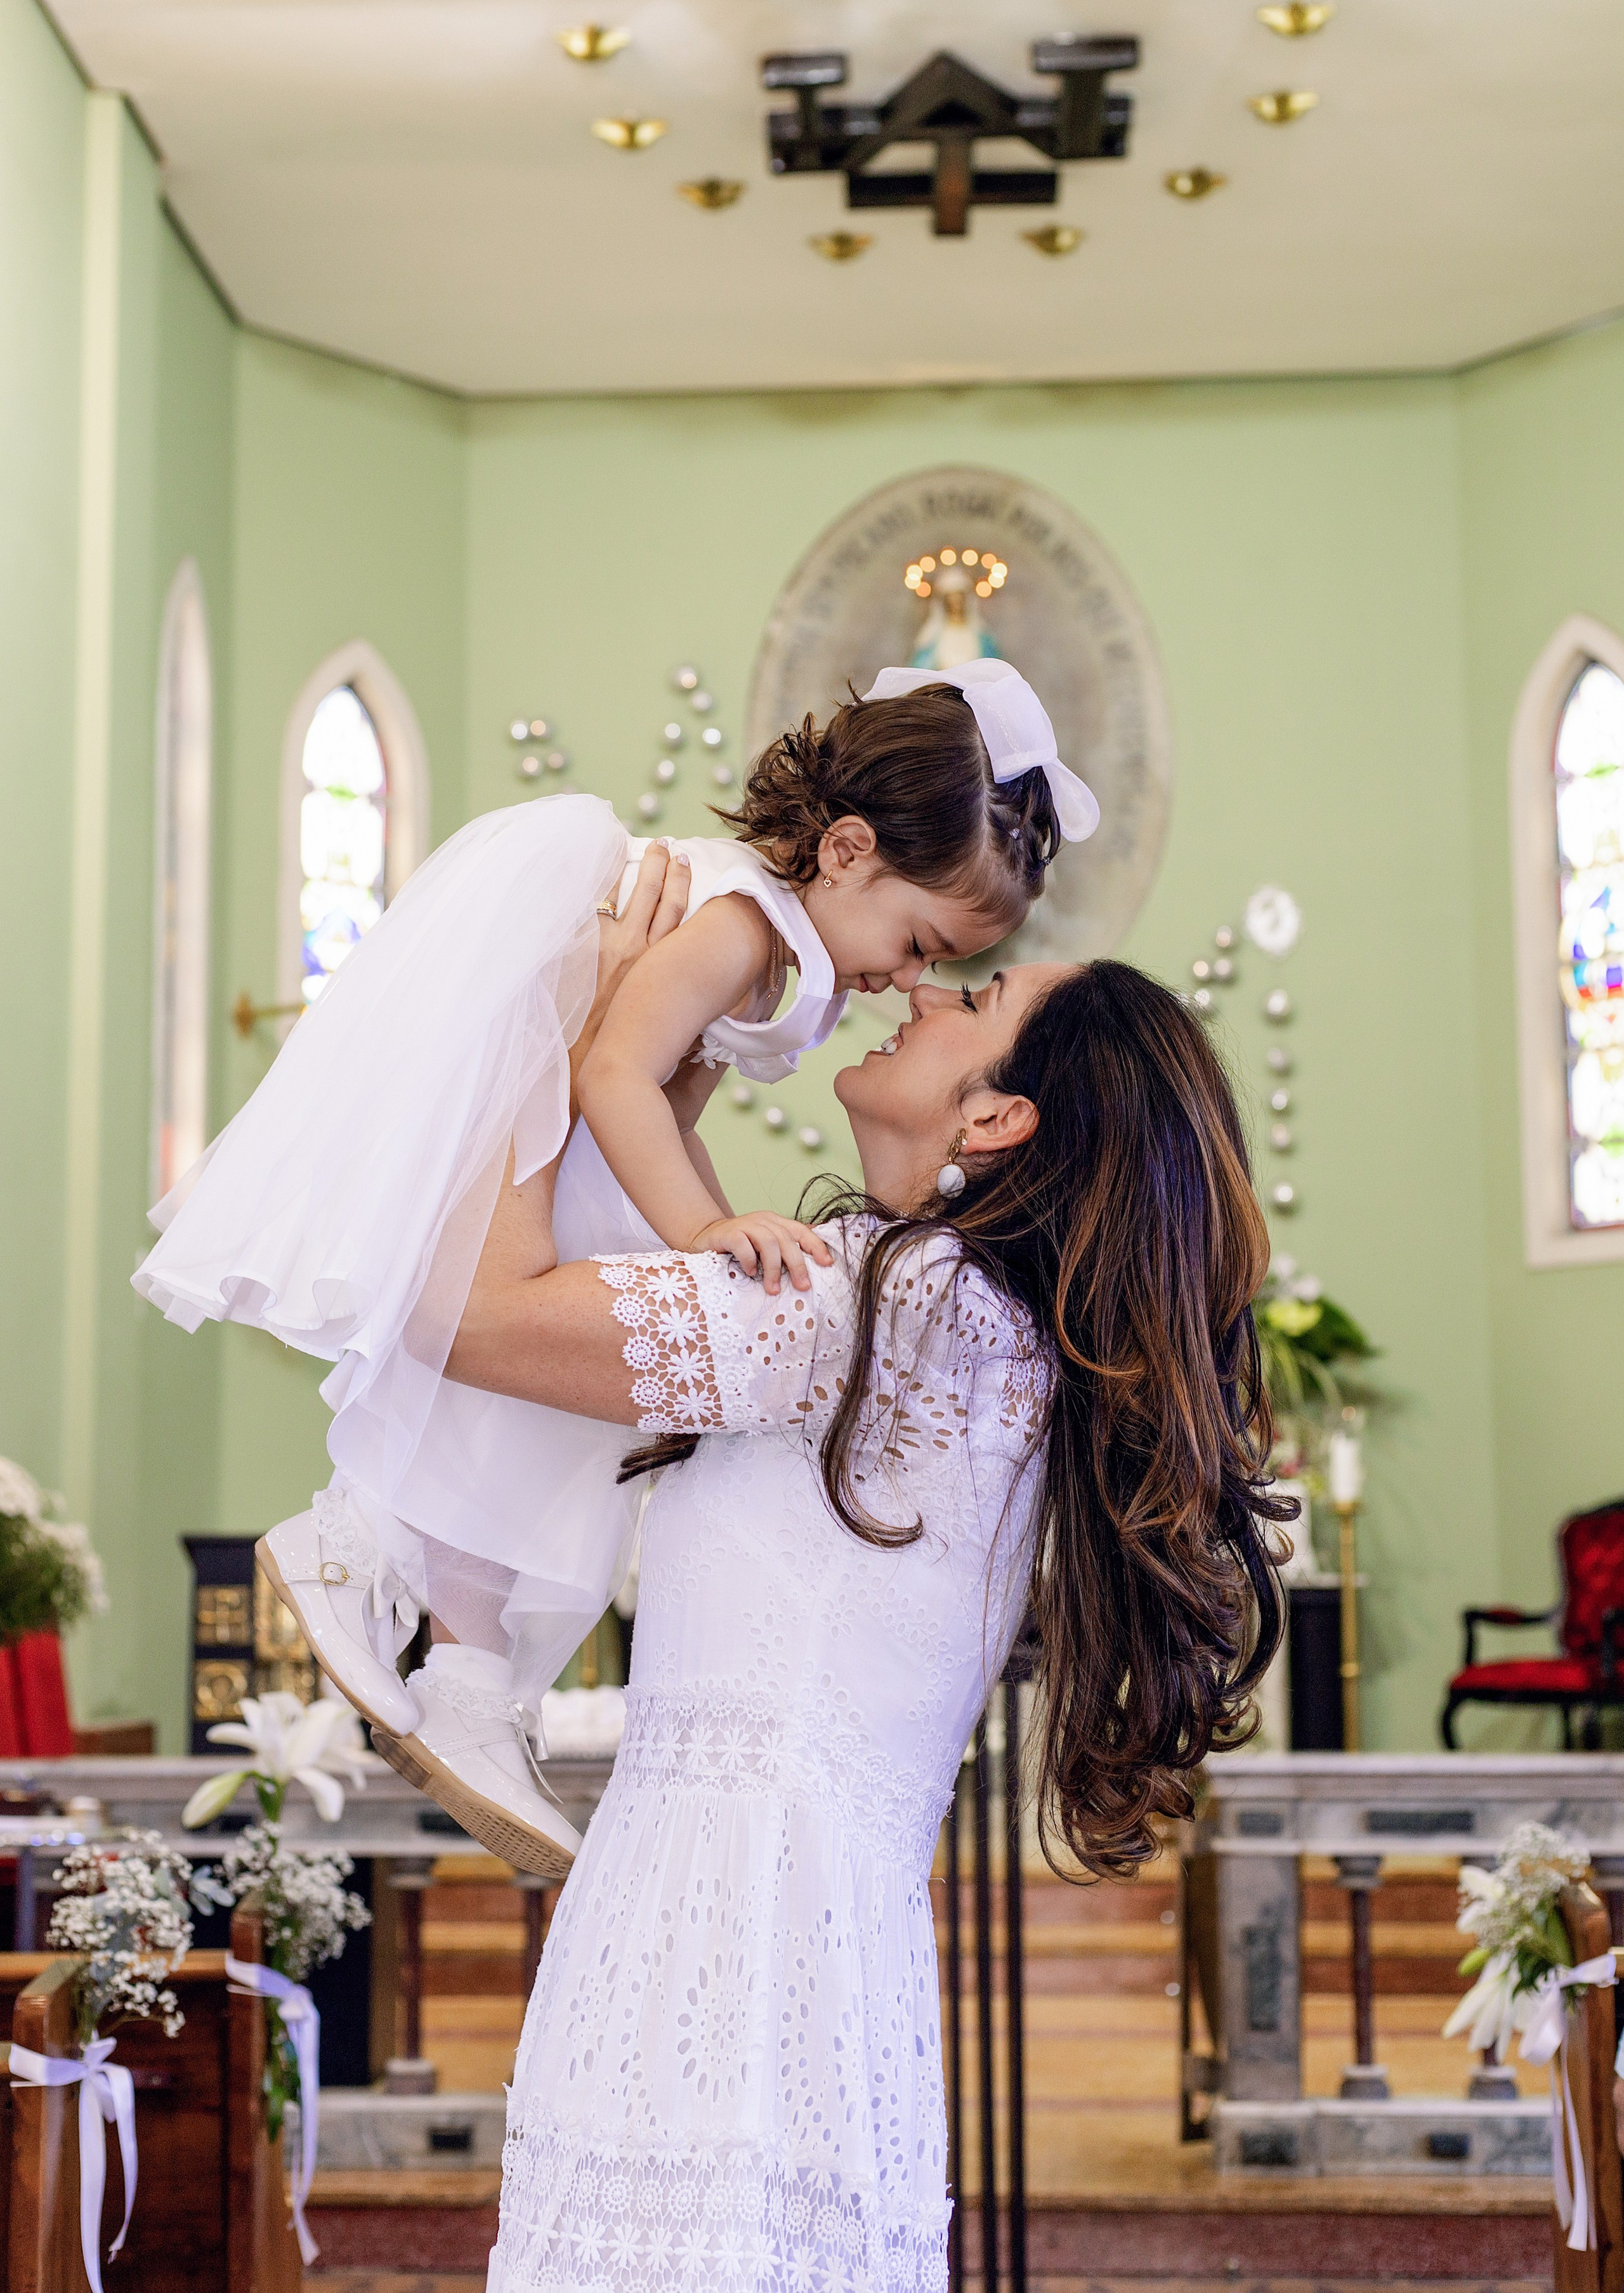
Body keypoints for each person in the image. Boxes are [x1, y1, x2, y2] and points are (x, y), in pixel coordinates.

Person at [443, 886, 1285, 2292]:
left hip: (727, 1936)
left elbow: (463, 1317)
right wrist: (654, 1055)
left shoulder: (874, 1307)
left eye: (982, 1003)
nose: (927, 992)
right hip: (805, 1955)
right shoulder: (966, 1326)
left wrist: (565, 1018)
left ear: (996, 1118)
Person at [134, 661, 1099, 1874]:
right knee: (556, 1382)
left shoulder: (776, 940)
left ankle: (468, 1666)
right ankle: (365, 1549)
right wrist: (699, 1231)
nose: (911, 980)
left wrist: (695, 1213)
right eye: (919, 943)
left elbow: (653, 1093)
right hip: (548, 1106)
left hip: (576, 1131)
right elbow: (606, 1075)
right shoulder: (748, 929)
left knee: (580, 1416)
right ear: (848, 851)